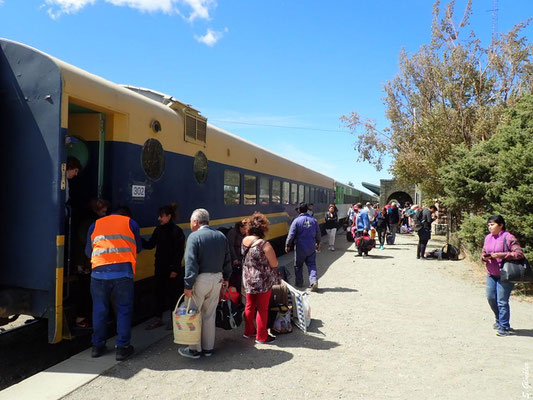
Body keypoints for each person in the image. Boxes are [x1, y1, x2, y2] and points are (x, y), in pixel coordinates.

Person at [85, 206, 142, 361]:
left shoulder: (95, 224)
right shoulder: (131, 223)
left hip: (98, 273)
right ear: (126, 215)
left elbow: (88, 252)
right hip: (123, 273)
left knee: (99, 310)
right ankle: (122, 348)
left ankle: (97, 347)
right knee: (123, 309)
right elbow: (138, 248)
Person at [179, 209, 232, 359]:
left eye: (191, 221)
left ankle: (194, 350)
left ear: (195, 221)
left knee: (193, 314)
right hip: (217, 279)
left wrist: (188, 285)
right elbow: (227, 258)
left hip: (200, 280)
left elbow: (191, 263)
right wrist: (227, 277)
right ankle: (208, 348)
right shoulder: (220, 236)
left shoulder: (194, 237)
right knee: (209, 315)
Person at [142, 203, 185, 330]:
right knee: (158, 293)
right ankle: (158, 318)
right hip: (159, 267)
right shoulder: (158, 230)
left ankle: (174, 319)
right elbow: (150, 244)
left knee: (173, 294)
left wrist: (175, 269)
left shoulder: (176, 231)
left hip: (171, 268)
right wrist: (137, 239)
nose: (159, 219)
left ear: (169, 216)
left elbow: (179, 252)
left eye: (161, 216)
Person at [481, 215, 524, 337]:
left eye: (492, 224)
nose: (490, 227)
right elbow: (484, 251)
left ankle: (504, 327)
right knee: (491, 298)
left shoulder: (508, 237)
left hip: (505, 275)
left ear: (501, 225)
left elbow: (519, 254)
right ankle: (498, 320)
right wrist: (484, 257)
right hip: (491, 273)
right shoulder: (488, 238)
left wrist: (501, 255)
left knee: (502, 301)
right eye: (489, 225)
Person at [72, 198, 110, 329]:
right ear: (97, 210)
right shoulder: (93, 223)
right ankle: (81, 318)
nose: (105, 214)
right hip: (86, 263)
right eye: (104, 211)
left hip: (83, 262)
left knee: (85, 290)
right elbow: (88, 243)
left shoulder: (86, 221)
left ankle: (83, 317)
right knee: (86, 292)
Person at [241, 212, 279, 344]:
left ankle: (248, 332)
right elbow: (274, 263)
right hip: (263, 281)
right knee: (262, 308)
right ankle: (262, 336)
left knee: (249, 305)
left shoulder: (244, 241)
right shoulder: (264, 244)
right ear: (263, 228)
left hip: (248, 279)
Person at [285, 203, 321, 292]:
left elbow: (291, 235)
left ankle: (299, 282)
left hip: (300, 247)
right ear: (307, 210)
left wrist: (288, 245)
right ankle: (313, 281)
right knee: (312, 264)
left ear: (299, 210)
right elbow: (318, 233)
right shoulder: (313, 220)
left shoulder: (296, 221)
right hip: (311, 246)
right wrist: (318, 242)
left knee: (298, 265)